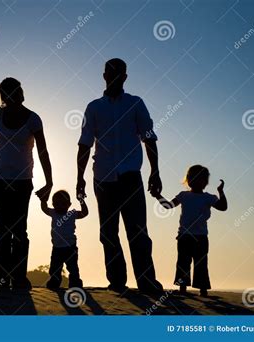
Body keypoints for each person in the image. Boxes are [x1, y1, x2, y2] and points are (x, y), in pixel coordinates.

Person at [76, 58, 163, 294]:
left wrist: (155, 171)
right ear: (104, 75)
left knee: (137, 231)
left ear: (125, 77)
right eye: (110, 73)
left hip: (130, 177)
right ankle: (117, 281)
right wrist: (79, 177)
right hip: (103, 179)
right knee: (108, 232)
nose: (114, 77)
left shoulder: (135, 104)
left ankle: (146, 281)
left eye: (119, 73)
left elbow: (149, 138)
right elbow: (85, 143)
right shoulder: (94, 107)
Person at [0, 78, 53, 291]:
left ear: (20, 92)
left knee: (20, 230)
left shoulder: (33, 119)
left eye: (14, 91)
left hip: (23, 181)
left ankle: (19, 278)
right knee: (2, 230)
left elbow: (43, 150)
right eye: (7, 92)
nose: (11, 95)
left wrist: (49, 181)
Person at [151, 165, 227, 297]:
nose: (198, 182)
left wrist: (221, 192)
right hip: (184, 236)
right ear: (189, 180)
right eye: (194, 178)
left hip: (201, 237)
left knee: (201, 263)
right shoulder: (184, 195)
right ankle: (183, 289)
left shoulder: (209, 197)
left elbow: (223, 207)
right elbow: (168, 205)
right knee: (183, 263)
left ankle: (202, 290)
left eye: (201, 179)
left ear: (205, 182)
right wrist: (158, 196)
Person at [38, 190, 88, 290]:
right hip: (57, 248)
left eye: (63, 203)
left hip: (70, 247)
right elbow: (44, 209)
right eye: (57, 204)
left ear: (69, 204)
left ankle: (75, 283)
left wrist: (82, 201)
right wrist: (43, 199)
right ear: (53, 204)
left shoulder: (72, 214)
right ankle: (54, 282)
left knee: (73, 268)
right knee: (55, 268)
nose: (60, 206)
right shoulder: (53, 213)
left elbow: (84, 213)